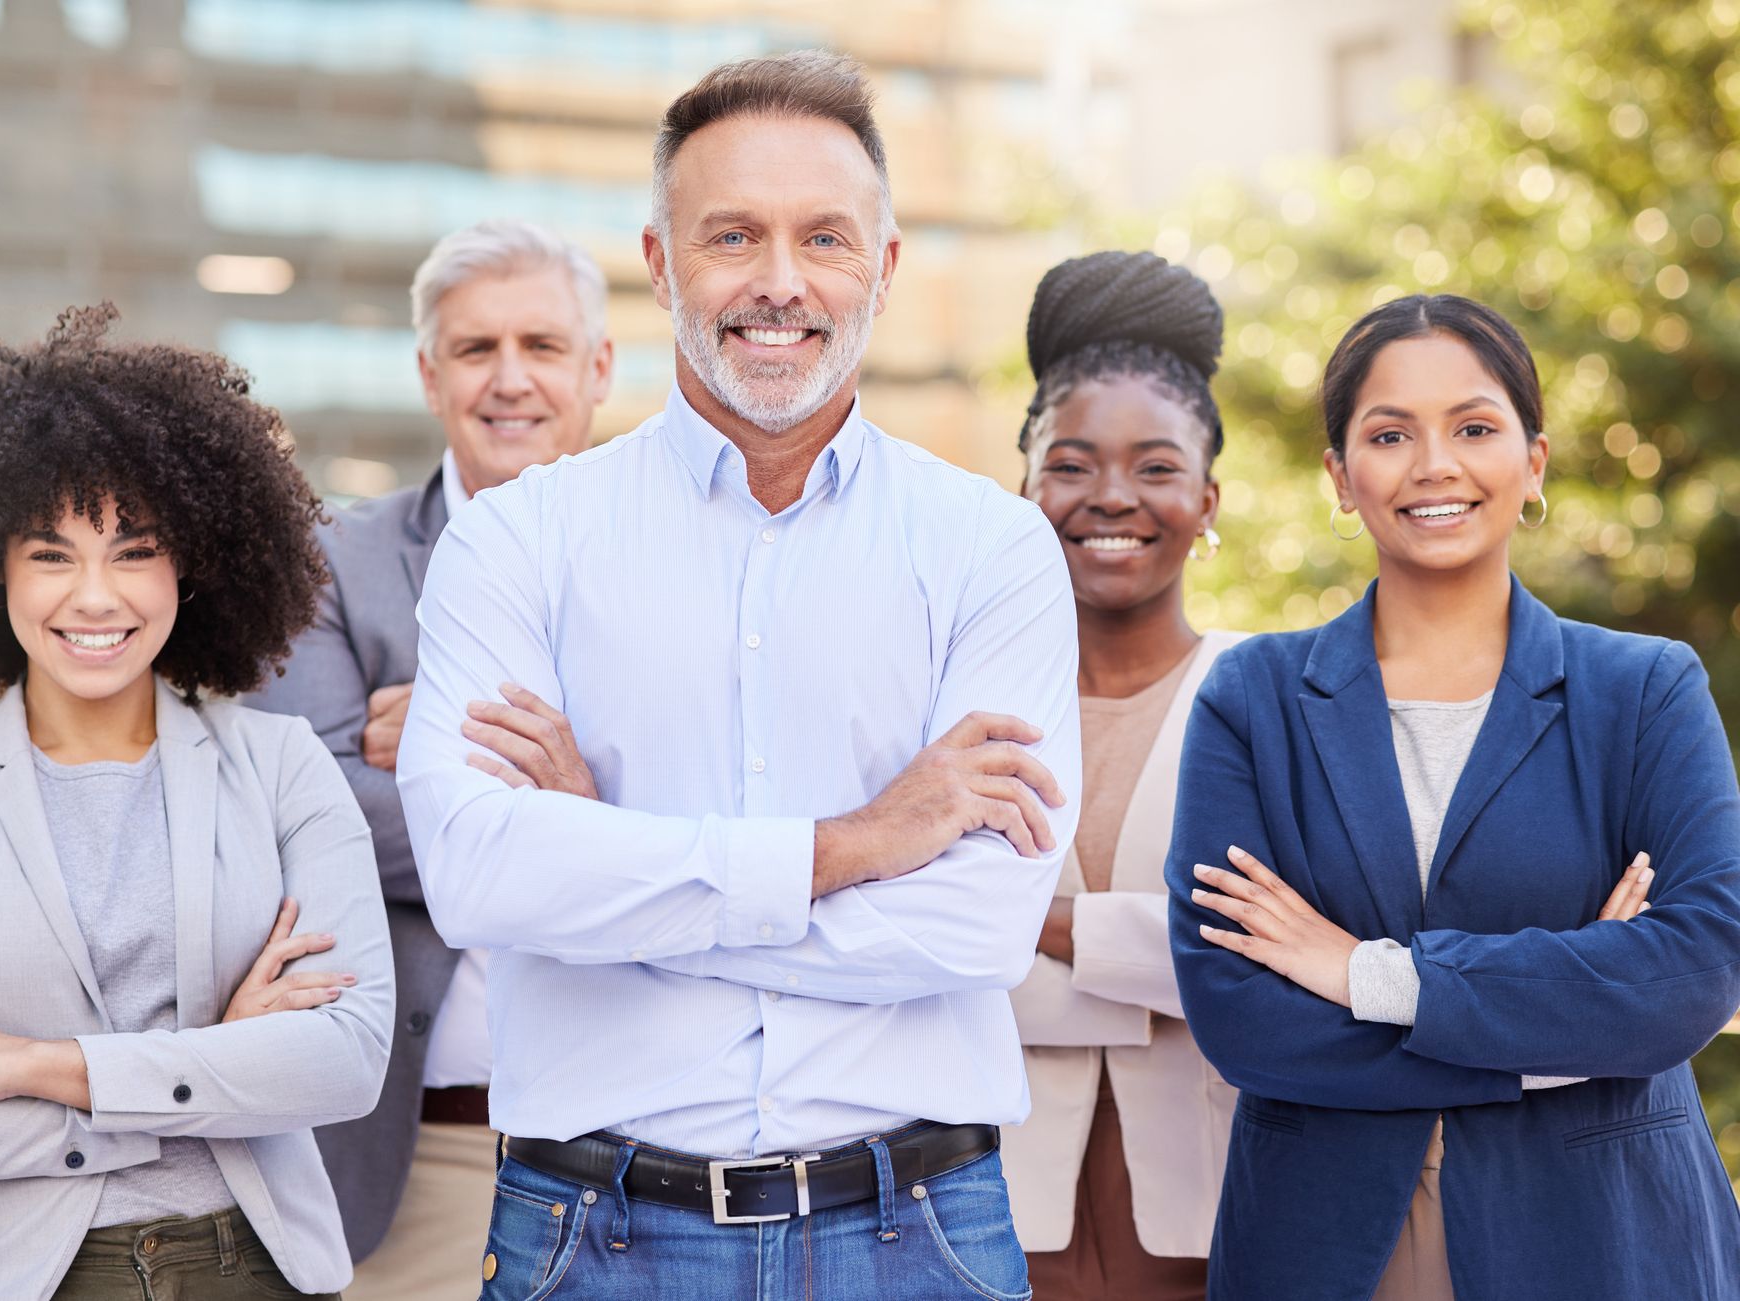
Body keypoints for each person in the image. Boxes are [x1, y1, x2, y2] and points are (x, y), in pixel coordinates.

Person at [396, 51, 1079, 1299]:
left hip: (917, 1234)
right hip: (594, 1235)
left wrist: (612, 859)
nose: (778, 283)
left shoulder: (994, 547)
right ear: (659, 263)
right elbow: (483, 879)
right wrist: (862, 840)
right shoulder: (514, 542)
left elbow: (981, 926)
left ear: (883, 265)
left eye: (824, 237)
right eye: (731, 236)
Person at [1166, 293, 1740, 1299]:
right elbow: (1243, 1015)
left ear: (1535, 462)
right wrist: (1560, 1040)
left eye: (1474, 427)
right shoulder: (1254, 699)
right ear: (1342, 479)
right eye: (1390, 434)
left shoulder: (1645, 690)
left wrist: (1362, 972)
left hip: (1601, 1233)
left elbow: (1694, 971)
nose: (1435, 463)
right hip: (1328, 1241)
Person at [0, 306, 394, 1300]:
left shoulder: (283, 764)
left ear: (193, 563)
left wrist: (10, 1061)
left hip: (251, 1267)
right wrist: (214, 1064)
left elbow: (342, 1064)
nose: (95, 595)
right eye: (51, 553)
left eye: (134, 549)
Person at [241, 218, 613, 1297]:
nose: (510, 380)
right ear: (428, 371)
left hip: (646, 1156)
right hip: (418, 1164)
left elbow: (736, 805)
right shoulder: (328, 562)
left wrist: (440, 744)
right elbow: (310, 818)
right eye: (475, 348)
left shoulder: (699, 565)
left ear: (597, 367)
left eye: (541, 345)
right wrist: (597, 804)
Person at [1001, 251, 1239, 1301]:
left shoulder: (1272, 700)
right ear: (1025, 485)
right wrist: (1158, 971)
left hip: (1218, 1224)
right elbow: (909, 951)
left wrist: (1032, 926)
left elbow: (1267, 965)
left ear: (1206, 495)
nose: (1111, 497)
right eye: (1071, 462)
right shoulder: (957, 705)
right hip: (985, 1225)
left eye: (1154, 465)